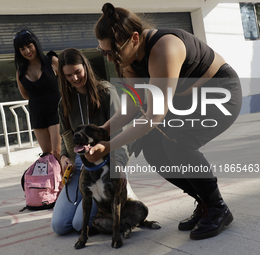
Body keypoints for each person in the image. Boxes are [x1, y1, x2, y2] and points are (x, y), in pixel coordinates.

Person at [87, 3, 242, 240]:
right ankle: (205, 203)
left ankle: (218, 208)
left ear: (135, 38)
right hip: (185, 99)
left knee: (178, 143)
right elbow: (132, 108)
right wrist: (103, 130)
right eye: (103, 52)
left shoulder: (164, 48)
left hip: (220, 91)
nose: (109, 59)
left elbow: (154, 116)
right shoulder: (128, 60)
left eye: (112, 53)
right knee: (153, 149)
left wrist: (110, 145)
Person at [51, 48, 129, 235]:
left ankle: (123, 199)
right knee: (60, 226)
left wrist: (120, 167)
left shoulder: (106, 92)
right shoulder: (65, 102)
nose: (75, 78)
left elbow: (121, 134)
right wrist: (63, 158)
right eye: (68, 75)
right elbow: (66, 138)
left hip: (105, 162)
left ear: (86, 66)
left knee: (79, 224)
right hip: (79, 164)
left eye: (78, 72)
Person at [13, 29, 61, 160]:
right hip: (37, 114)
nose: (27, 51)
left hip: (56, 110)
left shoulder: (52, 61)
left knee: (58, 152)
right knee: (47, 155)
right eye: (22, 49)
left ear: (35, 44)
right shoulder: (20, 72)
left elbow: (67, 84)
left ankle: (67, 180)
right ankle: (54, 180)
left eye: (29, 46)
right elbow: (25, 94)